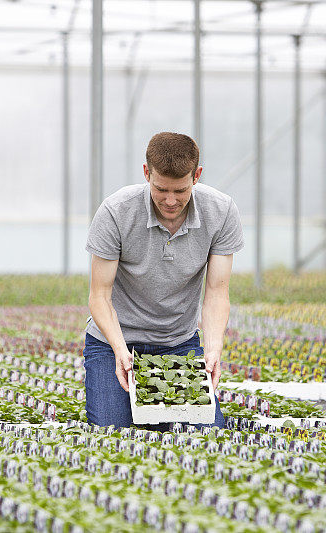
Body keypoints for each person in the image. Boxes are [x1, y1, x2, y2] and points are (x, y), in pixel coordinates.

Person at [82, 131, 244, 429]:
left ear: (197, 176)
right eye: (161, 189)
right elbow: (99, 297)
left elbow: (217, 294)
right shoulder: (116, 211)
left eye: (180, 191)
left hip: (178, 343)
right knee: (113, 436)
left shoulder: (220, 212)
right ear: (147, 173)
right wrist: (120, 350)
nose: (170, 200)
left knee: (206, 438)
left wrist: (212, 350)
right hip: (115, 343)